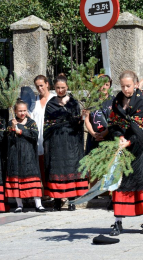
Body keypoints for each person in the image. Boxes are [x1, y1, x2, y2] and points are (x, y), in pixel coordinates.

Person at [108, 70, 143, 236]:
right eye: (123, 86)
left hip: (142, 147)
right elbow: (113, 123)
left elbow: (142, 127)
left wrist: (130, 141)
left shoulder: (141, 101)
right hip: (123, 148)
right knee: (120, 184)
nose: (126, 89)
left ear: (135, 84)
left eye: (129, 85)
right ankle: (118, 222)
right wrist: (118, 136)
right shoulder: (117, 101)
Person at [43, 75, 88, 211]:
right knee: (57, 169)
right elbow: (48, 125)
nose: (60, 90)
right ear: (54, 88)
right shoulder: (50, 104)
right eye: (58, 88)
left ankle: (72, 200)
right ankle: (57, 200)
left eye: (63, 88)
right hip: (56, 142)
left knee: (71, 168)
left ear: (67, 87)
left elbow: (78, 122)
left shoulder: (74, 103)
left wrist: (83, 117)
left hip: (71, 142)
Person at [6, 99, 46, 213]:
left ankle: (38, 204)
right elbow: (9, 140)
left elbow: (34, 136)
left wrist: (21, 131)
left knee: (32, 177)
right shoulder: (11, 123)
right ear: (15, 111)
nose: (22, 113)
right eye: (19, 111)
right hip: (15, 155)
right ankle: (19, 204)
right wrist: (13, 128)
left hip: (29, 155)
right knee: (17, 178)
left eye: (24, 110)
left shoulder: (31, 122)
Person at [31, 75, 55, 191]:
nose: (40, 88)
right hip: (38, 138)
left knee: (52, 165)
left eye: (41, 85)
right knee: (41, 165)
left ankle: (54, 191)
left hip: (52, 138)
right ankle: (45, 190)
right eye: (37, 86)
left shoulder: (54, 99)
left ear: (47, 84)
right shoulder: (33, 102)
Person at [84, 74, 114, 155]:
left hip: (109, 138)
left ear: (109, 87)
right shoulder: (90, 100)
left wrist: (104, 133)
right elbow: (86, 119)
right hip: (93, 138)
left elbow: (114, 120)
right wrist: (94, 134)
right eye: (102, 84)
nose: (104, 86)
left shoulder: (114, 101)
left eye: (107, 84)